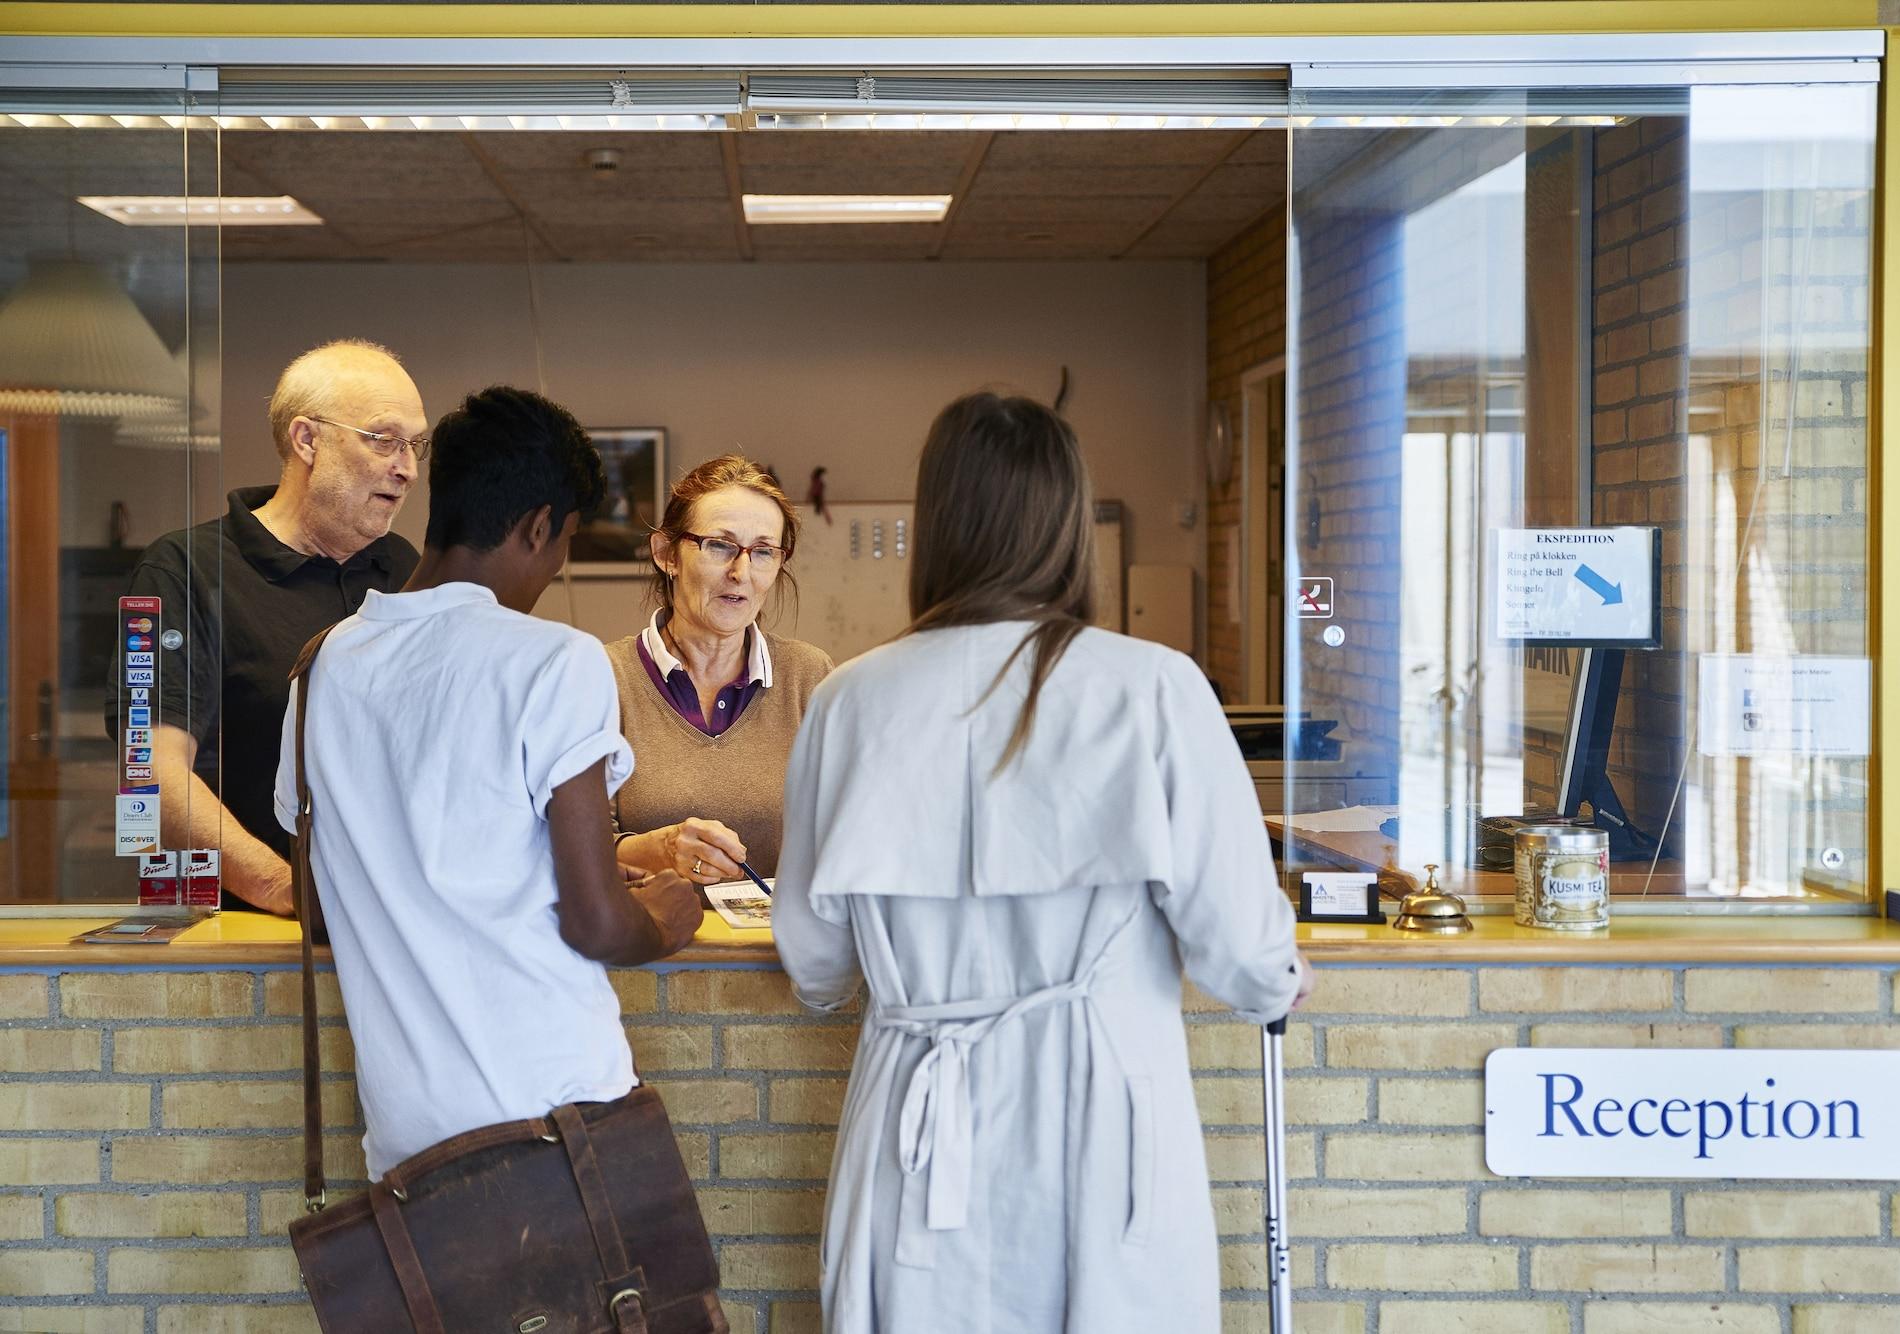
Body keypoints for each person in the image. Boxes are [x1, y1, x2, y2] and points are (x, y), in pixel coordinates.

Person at [772, 392, 1313, 1334]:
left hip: (914, 1114)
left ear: (935, 524)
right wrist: (1277, 981)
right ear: (1069, 527)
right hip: (1099, 1115)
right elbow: (1239, 946)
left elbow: (816, 958)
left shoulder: (849, 702)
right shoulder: (1153, 688)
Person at [274, 385, 704, 1178]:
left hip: (408, 1137)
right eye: (564, 540)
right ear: (541, 525)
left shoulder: (322, 664)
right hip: (556, 1110)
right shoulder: (554, 660)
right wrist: (669, 914)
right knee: (629, 1308)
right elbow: (599, 926)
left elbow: (317, 898)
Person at [109, 339, 427, 913]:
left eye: (414, 445)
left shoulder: (405, 569)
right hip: (244, 931)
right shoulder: (187, 569)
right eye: (383, 439)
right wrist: (283, 889)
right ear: (308, 440)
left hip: (398, 923)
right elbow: (148, 768)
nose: (405, 468)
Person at [608, 456, 833, 887]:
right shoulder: (601, 677)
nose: (740, 573)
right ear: (665, 554)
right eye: (719, 545)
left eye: (763, 552)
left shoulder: (810, 677)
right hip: (646, 952)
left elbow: (847, 835)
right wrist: (661, 850)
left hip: (776, 952)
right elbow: (565, 848)